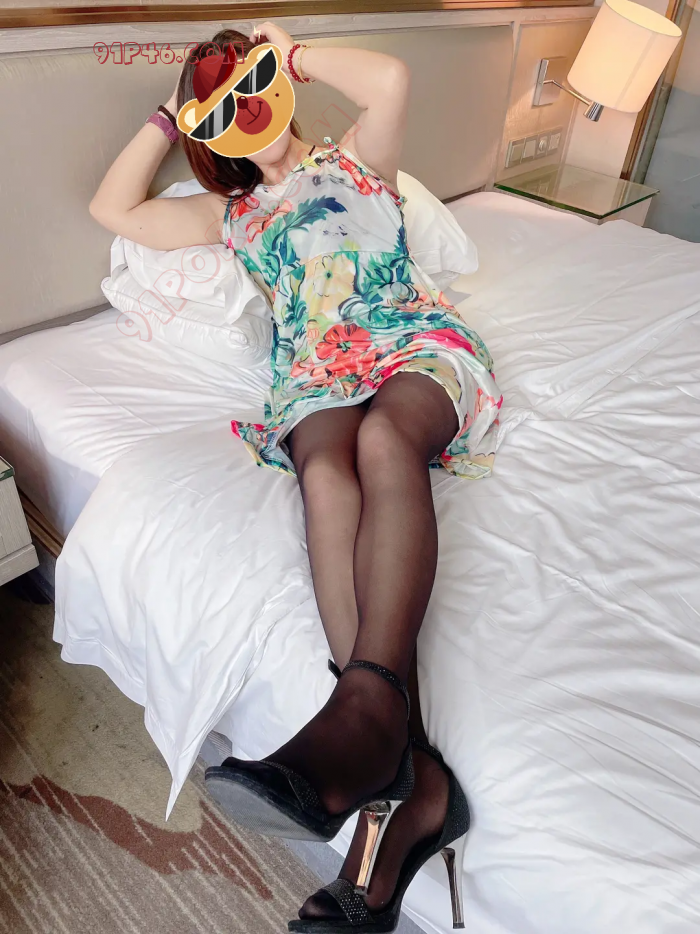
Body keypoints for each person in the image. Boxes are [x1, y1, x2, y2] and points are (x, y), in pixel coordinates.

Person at [90, 22, 502, 933]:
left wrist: (288, 50)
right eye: (222, 111)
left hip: (410, 343)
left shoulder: (356, 160)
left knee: (386, 445)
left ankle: (369, 731)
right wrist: (171, 111)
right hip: (315, 376)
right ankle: (405, 776)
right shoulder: (231, 214)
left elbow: (390, 78)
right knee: (324, 472)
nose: (246, 113)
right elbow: (114, 210)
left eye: (254, 88)